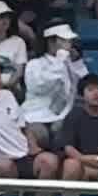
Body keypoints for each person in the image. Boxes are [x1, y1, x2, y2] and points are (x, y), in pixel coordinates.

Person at [20, 23, 81, 155]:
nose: (69, 44)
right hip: (36, 115)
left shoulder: (69, 63)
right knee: (39, 135)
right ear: (51, 42)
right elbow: (40, 87)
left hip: (63, 115)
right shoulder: (34, 64)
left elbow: (84, 84)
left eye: (70, 41)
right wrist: (59, 62)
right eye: (65, 40)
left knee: (66, 135)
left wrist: (76, 62)